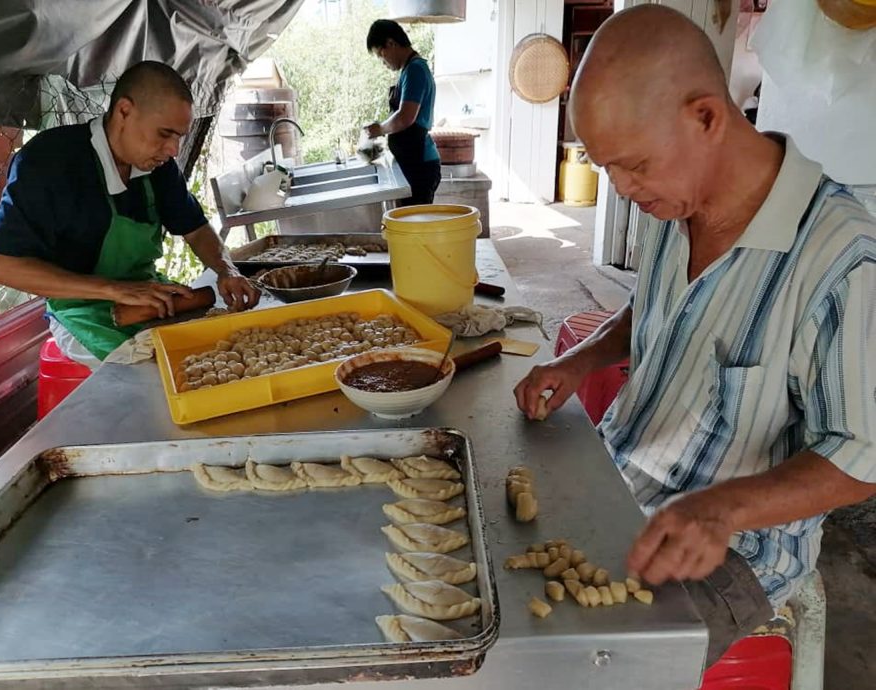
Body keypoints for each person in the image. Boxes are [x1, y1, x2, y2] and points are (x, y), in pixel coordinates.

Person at [515, 5, 875, 665]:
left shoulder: (843, 258)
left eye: (634, 166)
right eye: (608, 169)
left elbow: (861, 456)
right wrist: (578, 360)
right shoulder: (667, 204)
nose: (623, 191)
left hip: (735, 552)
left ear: (707, 117)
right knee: (498, 606)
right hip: (620, 477)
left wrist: (723, 509)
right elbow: (651, 308)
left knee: (575, 669)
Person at [0, 61, 260, 367]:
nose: (173, 149)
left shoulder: (159, 167)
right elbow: (1, 266)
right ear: (124, 111)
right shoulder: (49, 162)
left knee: (222, 349)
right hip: (82, 312)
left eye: (179, 137)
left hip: (150, 298)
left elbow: (195, 228)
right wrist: (114, 290)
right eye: (165, 134)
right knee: (165, 376)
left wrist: (226, 270)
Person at [364, 19, 441, 206]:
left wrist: (380, 129)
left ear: (391, 43)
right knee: (412, 226)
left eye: (381, 55)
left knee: (417, 228)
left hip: (420, 165)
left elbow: (405, 117)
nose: (383, 62)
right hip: (414, 163)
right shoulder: (409, 70)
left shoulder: (415, 70)